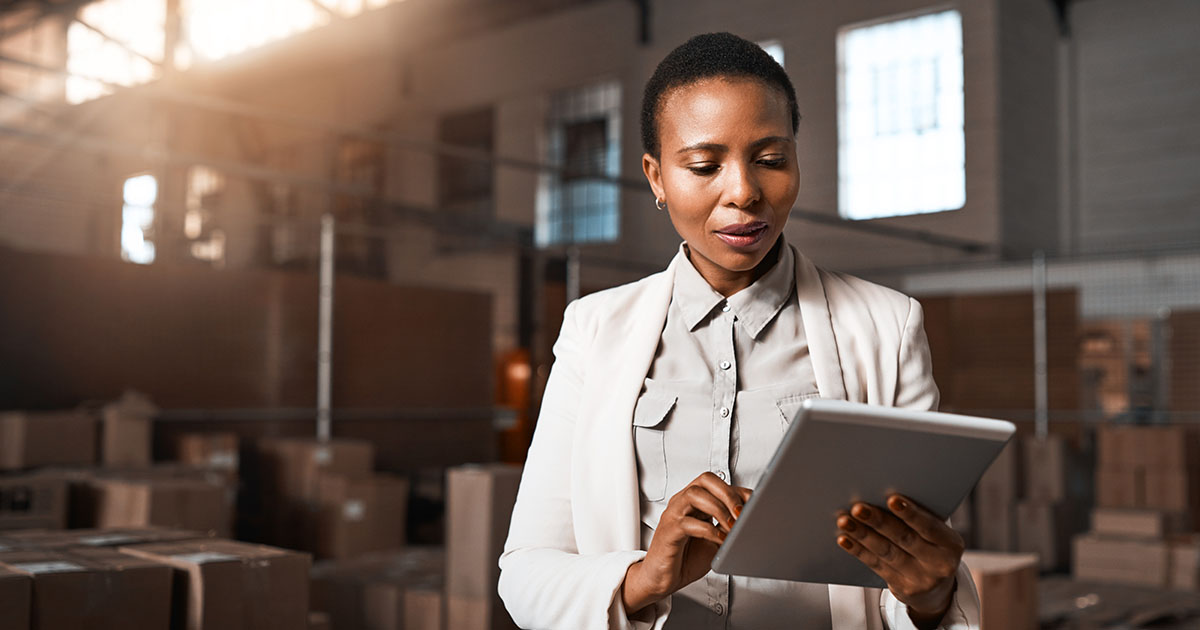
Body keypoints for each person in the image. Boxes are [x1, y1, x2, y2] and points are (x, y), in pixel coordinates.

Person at [498, 32, 981, 630]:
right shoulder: (595, 330)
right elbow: (525, 571)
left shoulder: (886, 325)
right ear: (655, 177)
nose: (745, 191)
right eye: (704, 166)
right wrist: (644, 578)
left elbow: (909, 571)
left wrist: (930, 596)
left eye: (771, 159)